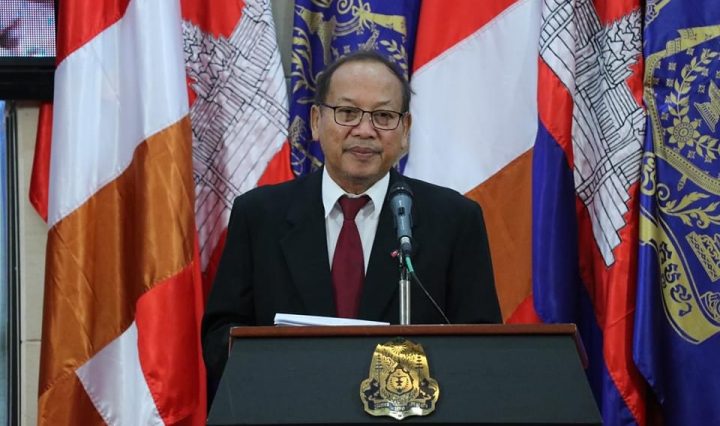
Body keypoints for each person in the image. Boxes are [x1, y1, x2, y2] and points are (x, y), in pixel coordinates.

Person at [201, 50, 501, 392]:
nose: (365, 130)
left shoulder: (454, 220)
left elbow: (482, 348)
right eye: (347, 113)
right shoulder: (259, 215)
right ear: (316, 121)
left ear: (405, 130)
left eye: (383, 116)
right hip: (291, 405)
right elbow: (220, 338)